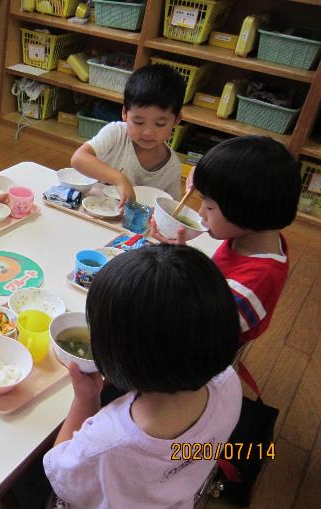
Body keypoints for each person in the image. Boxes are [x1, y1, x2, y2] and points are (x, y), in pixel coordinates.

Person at [39, 245, 242, 509]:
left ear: (120, 357)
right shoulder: (229, 383)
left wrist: (86, 399)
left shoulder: (106, 443)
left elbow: (57, 470)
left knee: (24, 481)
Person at [152, 136, 301, 343]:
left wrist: (181, 270)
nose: (201, 213)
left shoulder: (254, 283)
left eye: (210, 207)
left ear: (246, 211)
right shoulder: (251, 234)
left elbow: (198, 332)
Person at [71, 64, 186, 206]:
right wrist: (119, 179)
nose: (148, 132)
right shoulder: (117, 133)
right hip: (92, 206)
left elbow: (170, 207)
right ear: (125, 113)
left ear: (177, 120)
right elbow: (78, 158)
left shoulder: (171, 167)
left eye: (160, 124)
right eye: (138, 122)